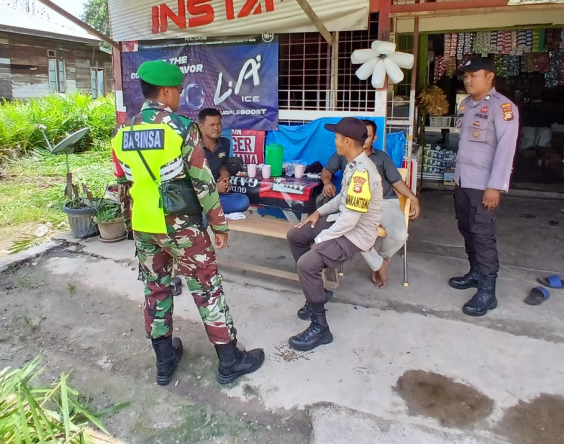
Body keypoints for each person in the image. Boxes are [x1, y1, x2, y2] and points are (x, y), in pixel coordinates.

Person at [112, 60, 264, 385]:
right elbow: (203, 183)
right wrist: (219, 224)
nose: (180, 97)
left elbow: (123, 179)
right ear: (166, 91)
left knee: (156, 291)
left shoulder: (122, 132)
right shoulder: (180, 128)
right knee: (207, 289)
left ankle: (164, 364)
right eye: (179, 91)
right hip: (182, 228)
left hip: (144, 226)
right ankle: (229, 361)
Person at [287, 117, 383, 351]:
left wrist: (321, 239)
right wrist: (317, 213)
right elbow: (342, 199)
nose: (334, 140)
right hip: (342, 222)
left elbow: (351, 219)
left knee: (307, 263)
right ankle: (317, 293)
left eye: (337, 137)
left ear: (347, 141)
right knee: (296, 235)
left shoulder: (362, 173)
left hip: (355, 233)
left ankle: (320, 328)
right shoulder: (352, 163)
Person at [450, 56, 519, 317]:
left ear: (490, 76)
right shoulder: (466, 105)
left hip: (484, 186)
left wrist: (495, 187)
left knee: (482, 235)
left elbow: (506, 149)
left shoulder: (503, 108)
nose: (468, 80)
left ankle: (488, 293)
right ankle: (476, 272)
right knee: (466, 228)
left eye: (473, 75)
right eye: (465, 76)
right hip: (464, 181)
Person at [320, 119, 420, 288]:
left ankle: (383, 260)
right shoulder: (343, 154)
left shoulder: (381, 157)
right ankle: (377, 264)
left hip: (385, 202)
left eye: (367, 136)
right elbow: (326, 171)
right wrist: (327, 182)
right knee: (352, 229)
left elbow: (396, 181)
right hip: (358, 205)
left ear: (373, 138)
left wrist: (413, 197)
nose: (363, 138)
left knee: (400, 235)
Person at [197, 108, 250, 214]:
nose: (216, 128)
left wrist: (224, 173)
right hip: (196, 196)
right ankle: (204, 211)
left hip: (216, 196)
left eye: (219, 124)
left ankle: (209, 210)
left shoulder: (224, 143)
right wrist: (215, 188)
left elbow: (223, 164)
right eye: (212, 125)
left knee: (243, 201)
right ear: (201, 127)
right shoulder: (192, 146)